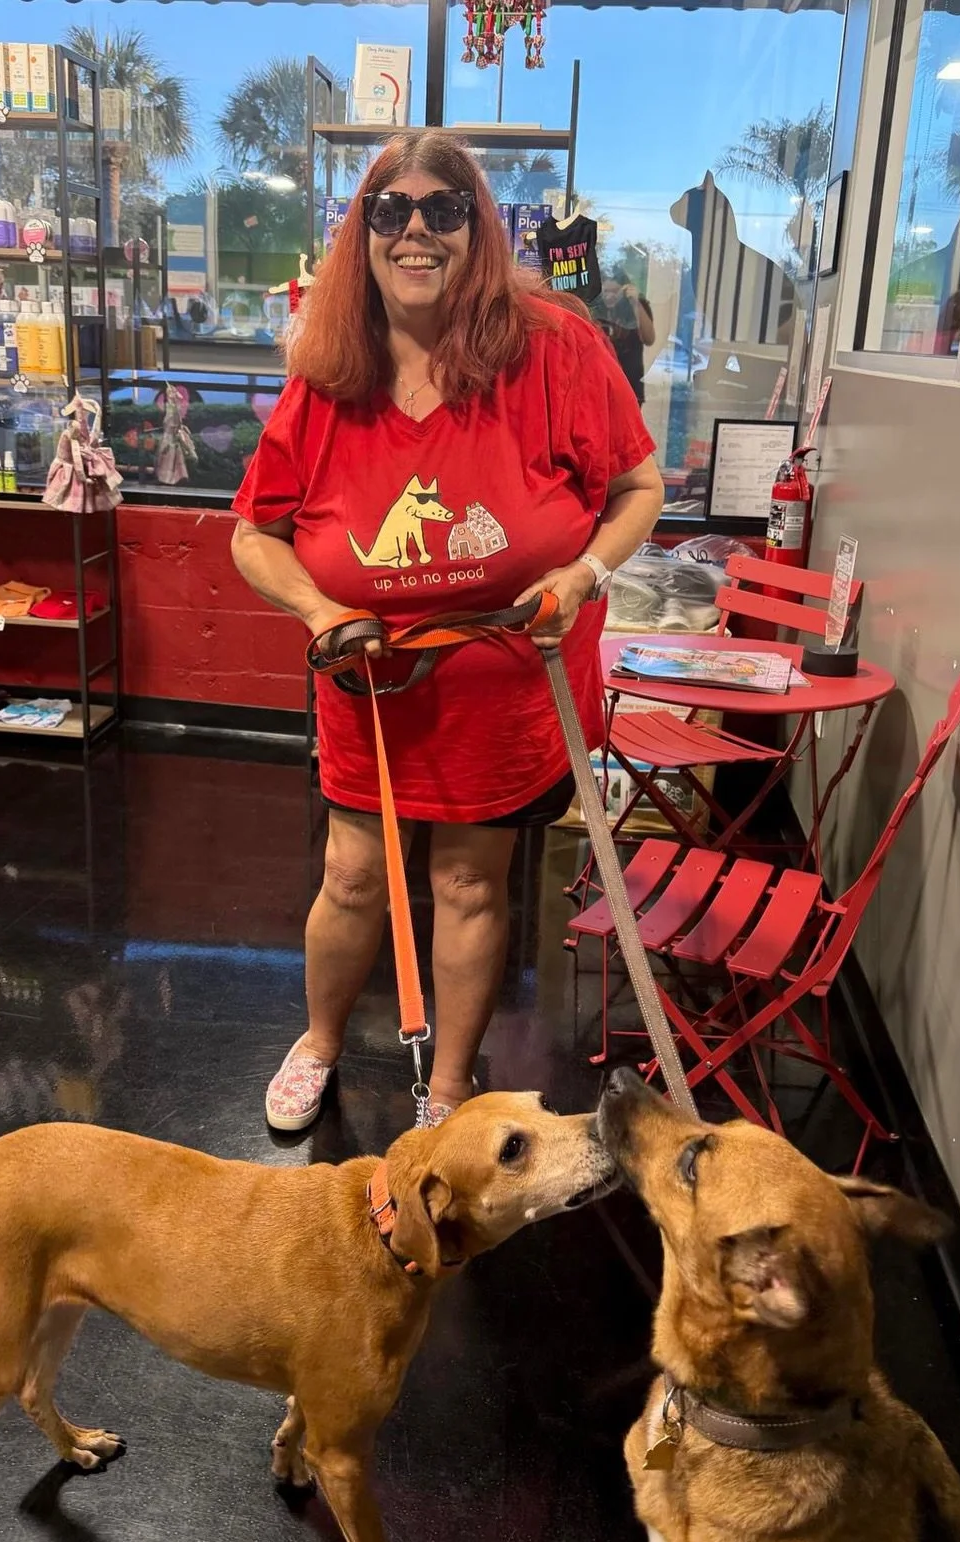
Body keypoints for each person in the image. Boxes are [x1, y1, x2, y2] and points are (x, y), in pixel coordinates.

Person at [230, 129, 665, 1132]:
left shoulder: (554, 345)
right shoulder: (332, 366)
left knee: (469, 883)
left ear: (478, 226)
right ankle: (320, 1039)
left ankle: (450, 1085)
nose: (416, 229)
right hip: (370, 687)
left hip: (503, 690)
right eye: (392, 209)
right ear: (364, 232)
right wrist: (321, 607)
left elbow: (638, 486)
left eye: (445, 208)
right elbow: (255, 532)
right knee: (349, 876)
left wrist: (585, 569)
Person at [593, 269, 656, 403]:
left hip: (630, 385)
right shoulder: (598, 309)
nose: (610, 296)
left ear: (624, 290)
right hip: (601, 385)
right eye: (606, 291)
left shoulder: (637, 306)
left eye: (615, 292)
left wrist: (635, 302)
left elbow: (649, 339)